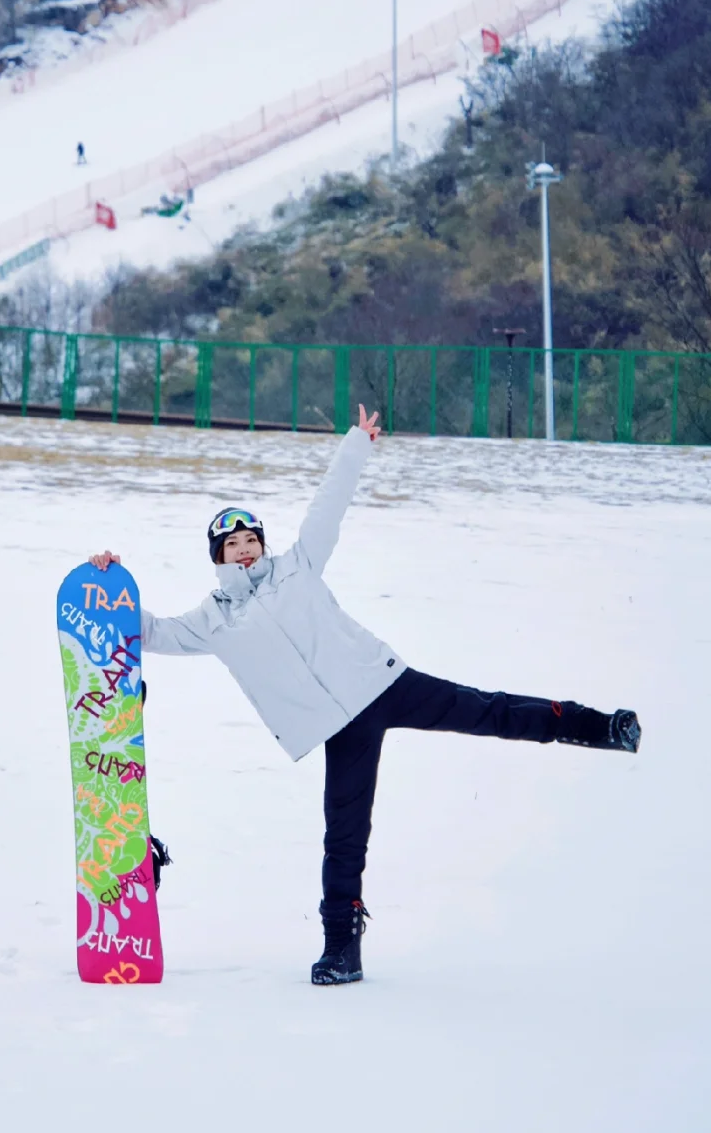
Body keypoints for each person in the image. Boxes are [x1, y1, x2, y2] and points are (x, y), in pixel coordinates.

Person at [89, 406, 640, 987]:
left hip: (382, 683)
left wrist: (356, 444)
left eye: (251, 539)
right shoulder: (212, 620)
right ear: (217, 557)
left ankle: (598, 726)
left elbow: (327, 508)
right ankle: (341, 950)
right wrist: (106, 583)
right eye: (232, 545)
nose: (245, 549)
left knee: (490, 710)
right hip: (339, 727)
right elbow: (148, 632)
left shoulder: (297, 567)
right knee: (345, 837)